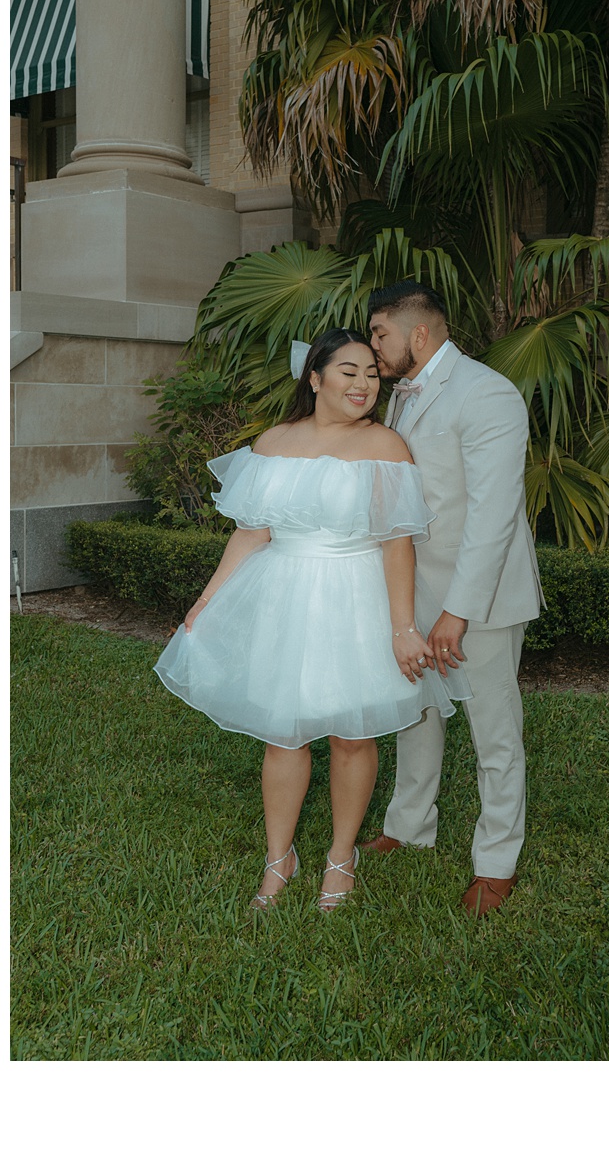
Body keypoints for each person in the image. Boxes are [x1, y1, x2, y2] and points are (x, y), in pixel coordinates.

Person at [154, 328, 470, 912]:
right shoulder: (274, 442)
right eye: (349, 372)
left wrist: (403, 628)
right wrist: (205, 601)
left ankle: (340, 856)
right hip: (284, 597)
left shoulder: (385, 447)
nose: (364, 384)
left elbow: (396, 544)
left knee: (354, 735)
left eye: (373, 374)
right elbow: (252, 534)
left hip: (356, 600)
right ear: (315, 377)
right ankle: (280, 859)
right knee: (284, 734)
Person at [363, 282, 544, 917]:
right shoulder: (399, 398)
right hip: (416, 590)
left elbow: (494, 517)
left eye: (379, 334)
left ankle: (496, 861)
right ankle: (410, 825)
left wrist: (458, 612)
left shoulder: (487, 393)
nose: (372, 347)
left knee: (495, 732)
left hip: (481, 598)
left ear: (419, 335)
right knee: (417, 715)